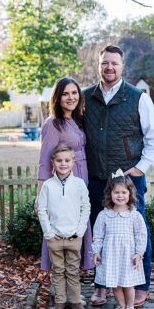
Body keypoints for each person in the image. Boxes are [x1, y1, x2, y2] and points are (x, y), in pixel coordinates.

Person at [83, 45, 154, 308]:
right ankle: (101, 285)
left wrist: (141, 168)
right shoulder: (86, 98)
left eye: (114, 63)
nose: (109, 68)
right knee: (99, 232)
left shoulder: (138, 97)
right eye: (104, 63)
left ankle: (141, 285)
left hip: (129, 179)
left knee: (137, 230)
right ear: (99, 65)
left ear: (122, 66)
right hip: (97, 178)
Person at [36, 76, 95, 279]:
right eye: (65, 94)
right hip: (66, 181)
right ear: (58, 98)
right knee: (63, 220)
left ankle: (76, 275)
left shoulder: (77, 120)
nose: (71, 97)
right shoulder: (53, 124)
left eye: (74, 92)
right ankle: (58, 281)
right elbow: (44, 161)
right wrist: (40, 194)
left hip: (83, 177)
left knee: (80, 220)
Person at [37, 143, 91, 309]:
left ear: (73, 162)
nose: (63, 164)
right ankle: (60, 303)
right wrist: (49, 234)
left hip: (74, 236)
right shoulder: (48, 185)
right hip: (55, 237)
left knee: (73, 270)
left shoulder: (79, 184)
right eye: (59, 160)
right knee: (58, 271)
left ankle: (75, 302)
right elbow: (42, 210)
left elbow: (85, 207)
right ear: (53, 162)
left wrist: (80, 231)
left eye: (67, 160)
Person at [92, 174, 148, 309]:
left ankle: (130, 306)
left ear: (130, 194)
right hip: (111, 255)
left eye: (124, 192)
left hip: (128, 256)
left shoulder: (134, 215)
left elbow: (141, 235)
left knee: (128, 284)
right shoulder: (104, 215)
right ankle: (121, 305)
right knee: (115, 284)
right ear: (110, 194)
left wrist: (139, 253)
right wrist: (96, 250)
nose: (120, 196)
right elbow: (98, 234)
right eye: (116, 192)